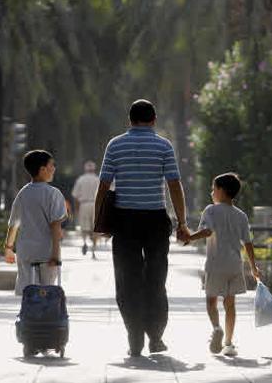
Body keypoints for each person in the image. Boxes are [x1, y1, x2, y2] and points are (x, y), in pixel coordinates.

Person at [95, 99, 191, 357]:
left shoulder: (115, 145)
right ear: (154, 119)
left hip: (125, 222)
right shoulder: (163, 146)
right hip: (155, 220)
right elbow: (174, 185)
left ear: (130, 120)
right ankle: (156, 336)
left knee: (127, 280)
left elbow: (103, 186)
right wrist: (182, 222)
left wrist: (100, 222)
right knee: (156, 279)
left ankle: (134, 336)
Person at [188, 173, 260, 356]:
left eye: (213, 188)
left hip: (215, 264)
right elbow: (248, 243)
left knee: (211, 301)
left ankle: (216, 328)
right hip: (235, 265)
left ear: (221, 190)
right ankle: (228, 343)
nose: (212, 192)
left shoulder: (210, 210)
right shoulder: (241, 215)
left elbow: (207, 230)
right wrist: (253, 267)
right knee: (230, 304)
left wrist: (189, 237)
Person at [4, 150, 67, 295]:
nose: (54, 168)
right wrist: (56, 254)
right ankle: (43, 317)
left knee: (28, 291)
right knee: (46, 291)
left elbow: (14, 224)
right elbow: (55, 225)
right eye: (52, 165)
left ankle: (29, 316)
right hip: (46, 252)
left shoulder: (23, 193)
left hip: (26, 251)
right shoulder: (53, 193)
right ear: (43, 169)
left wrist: (8, 248)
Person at [72, 160, 100, 259]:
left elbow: (75, 196)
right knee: (95, 228)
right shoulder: (98, 179)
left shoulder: (80, 179)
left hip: (84, 204)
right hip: (95, 204)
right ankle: (93, 250)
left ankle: (84, 242)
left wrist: (76, 208)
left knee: (84, 227)